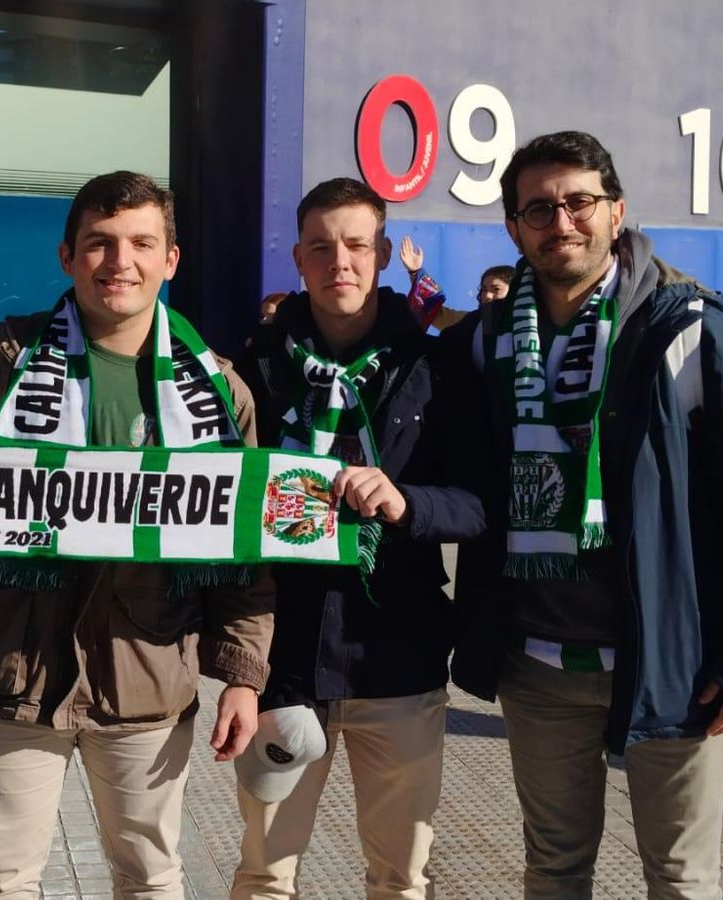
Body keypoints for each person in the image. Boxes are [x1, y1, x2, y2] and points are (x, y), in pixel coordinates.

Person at [446, 130, 723, 899]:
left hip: (672, 667)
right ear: (514, 227)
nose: (563, 222)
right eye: (540, 208)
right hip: (538, 667)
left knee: (680, 878)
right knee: (553, 871)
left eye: (580, 202)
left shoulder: (685, 332)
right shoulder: (486, 343)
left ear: (617, 213)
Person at [0, 170, 276, 899]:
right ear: (67, 256)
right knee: (2, 881)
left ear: (170, 259)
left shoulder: (220, 392)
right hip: (10, 675)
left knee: (150, 878)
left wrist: (244, 676)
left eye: (139, 243)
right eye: (98, 243)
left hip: (146, 680)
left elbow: (242, 554)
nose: (118, 261)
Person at [230, 177, 487, 900]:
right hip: (285, 662)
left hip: (397, 659)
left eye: (355, 244)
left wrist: (407, 502)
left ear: (379, 254)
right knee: (263, 874)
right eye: (320, 247)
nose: (338, 260)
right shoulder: (256, 368)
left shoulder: (434, 366)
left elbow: (478, 506)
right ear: (299, 260)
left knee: (400, 879)